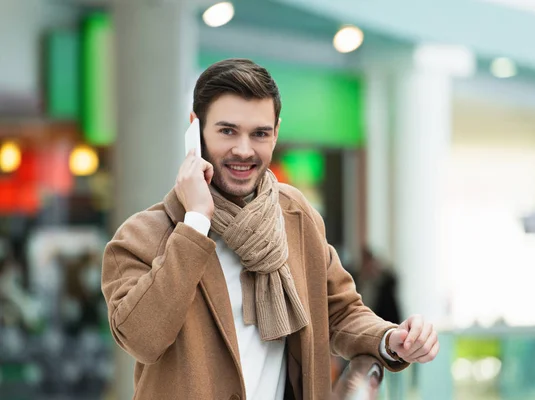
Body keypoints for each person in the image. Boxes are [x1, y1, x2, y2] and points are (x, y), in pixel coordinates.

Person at [101, 59, 439, 400]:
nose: (244, 150)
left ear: (276, 132)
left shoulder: (295, 216)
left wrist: (390, 339)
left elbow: (339, 311)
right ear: (196, 129)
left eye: (259, 133)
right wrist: (195, 224)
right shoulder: (140, 237)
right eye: (227, 131)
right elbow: (142, 339)